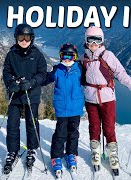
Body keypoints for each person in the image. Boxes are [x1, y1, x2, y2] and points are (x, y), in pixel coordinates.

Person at [81, 26, 131, 175]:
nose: (93, 43)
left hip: (107, 98)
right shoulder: (84, 59)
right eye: (90, 39)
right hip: (90, 98)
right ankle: (95, 152)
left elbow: (121, 73)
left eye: (97, 40)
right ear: (86, 41)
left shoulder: (108, 55)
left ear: (102, 41)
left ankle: (112, 154)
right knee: (93, 127)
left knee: (109, 127)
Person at [2, 23, 47, 174]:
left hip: (31, 94)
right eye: (21, 37)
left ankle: (32, 149)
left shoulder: (37, 54)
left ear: (31, 38)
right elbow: (6, 72)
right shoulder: (11, 54)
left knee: (31, 123)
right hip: (15, 95)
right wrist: (10, 84)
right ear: (16, 38)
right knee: (12, 124)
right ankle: (12, 151)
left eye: (27, 37)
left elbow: (42, 74)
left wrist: (31, 83)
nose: (24, 40)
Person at [43, 43, 84, 177]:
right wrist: (33, 80)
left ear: (75, 57)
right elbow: (45, 79)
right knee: (60, 133)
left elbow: (91, 79)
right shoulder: (57, 70)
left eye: (70, 56)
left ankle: (71, 153)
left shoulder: (79, 68)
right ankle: (56, 156)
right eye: (64, 55)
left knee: (73, 133)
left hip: (76, 108)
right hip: (62, 108)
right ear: (60, 56)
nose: (67, 59)